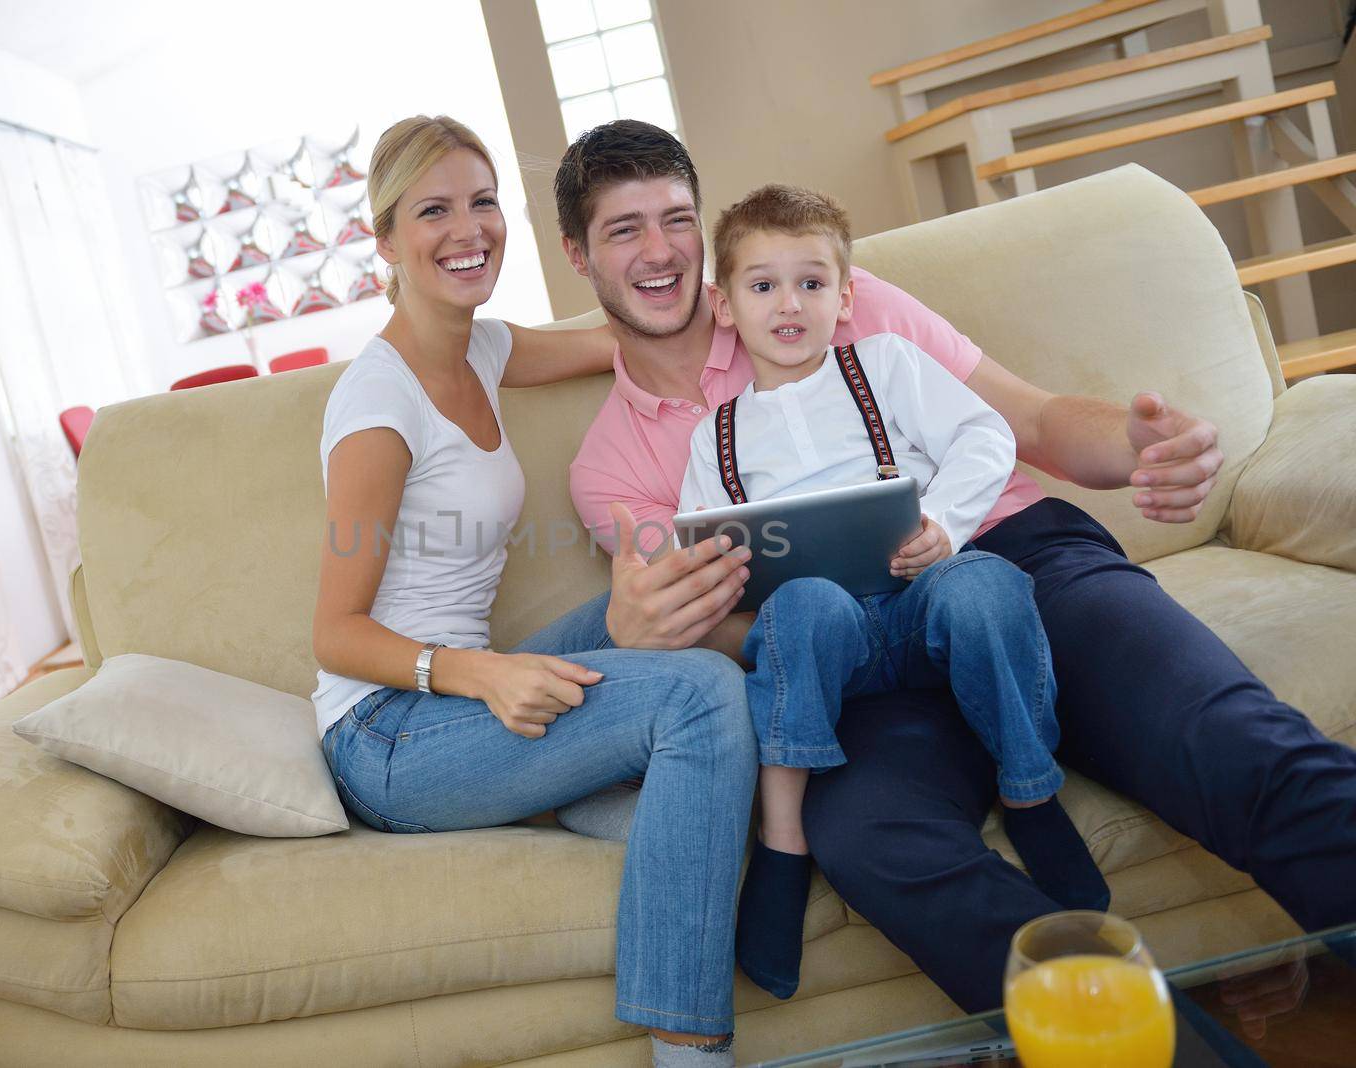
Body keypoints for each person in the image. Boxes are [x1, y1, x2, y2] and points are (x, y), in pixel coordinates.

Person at [558, 119, 1356, 1013]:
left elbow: (1033, 423)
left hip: (1017, 567)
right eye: (624, 230)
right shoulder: (612, 468)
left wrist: (1135, 449)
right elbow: (721, 623)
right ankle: (1119, 1031)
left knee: (1231, 741)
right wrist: (668, 630)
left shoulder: (831, 300)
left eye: (675, 220)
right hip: (861, 661)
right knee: (869, 839)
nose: (659, 251)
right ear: (578, 257)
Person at [312, 114, 757, 1068]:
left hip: (455, 699)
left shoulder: (479, 349)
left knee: (674, 600)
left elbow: (618, 337)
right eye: (433, 210)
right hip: (387, 735)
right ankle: (688, 1048)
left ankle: (588, 791)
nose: (467, 229)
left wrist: (755, 304)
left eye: (482, 203)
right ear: (385, 241)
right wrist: (479, 675)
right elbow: (335, 635)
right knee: (703, 693)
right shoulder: (378, 407)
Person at [676, 184, 1106, 1000]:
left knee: (986, 586)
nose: (789, 302)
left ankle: (1030, 787)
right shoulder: (716, 435)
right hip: (825, 643)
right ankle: (785, 842)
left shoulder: (883, 365)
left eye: (811, 281)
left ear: (845, 296)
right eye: (762, 285)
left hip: (921, 600)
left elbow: (985, 434)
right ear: (725, 305)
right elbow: (706, 547)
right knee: (800, 604)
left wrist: (943, 521)